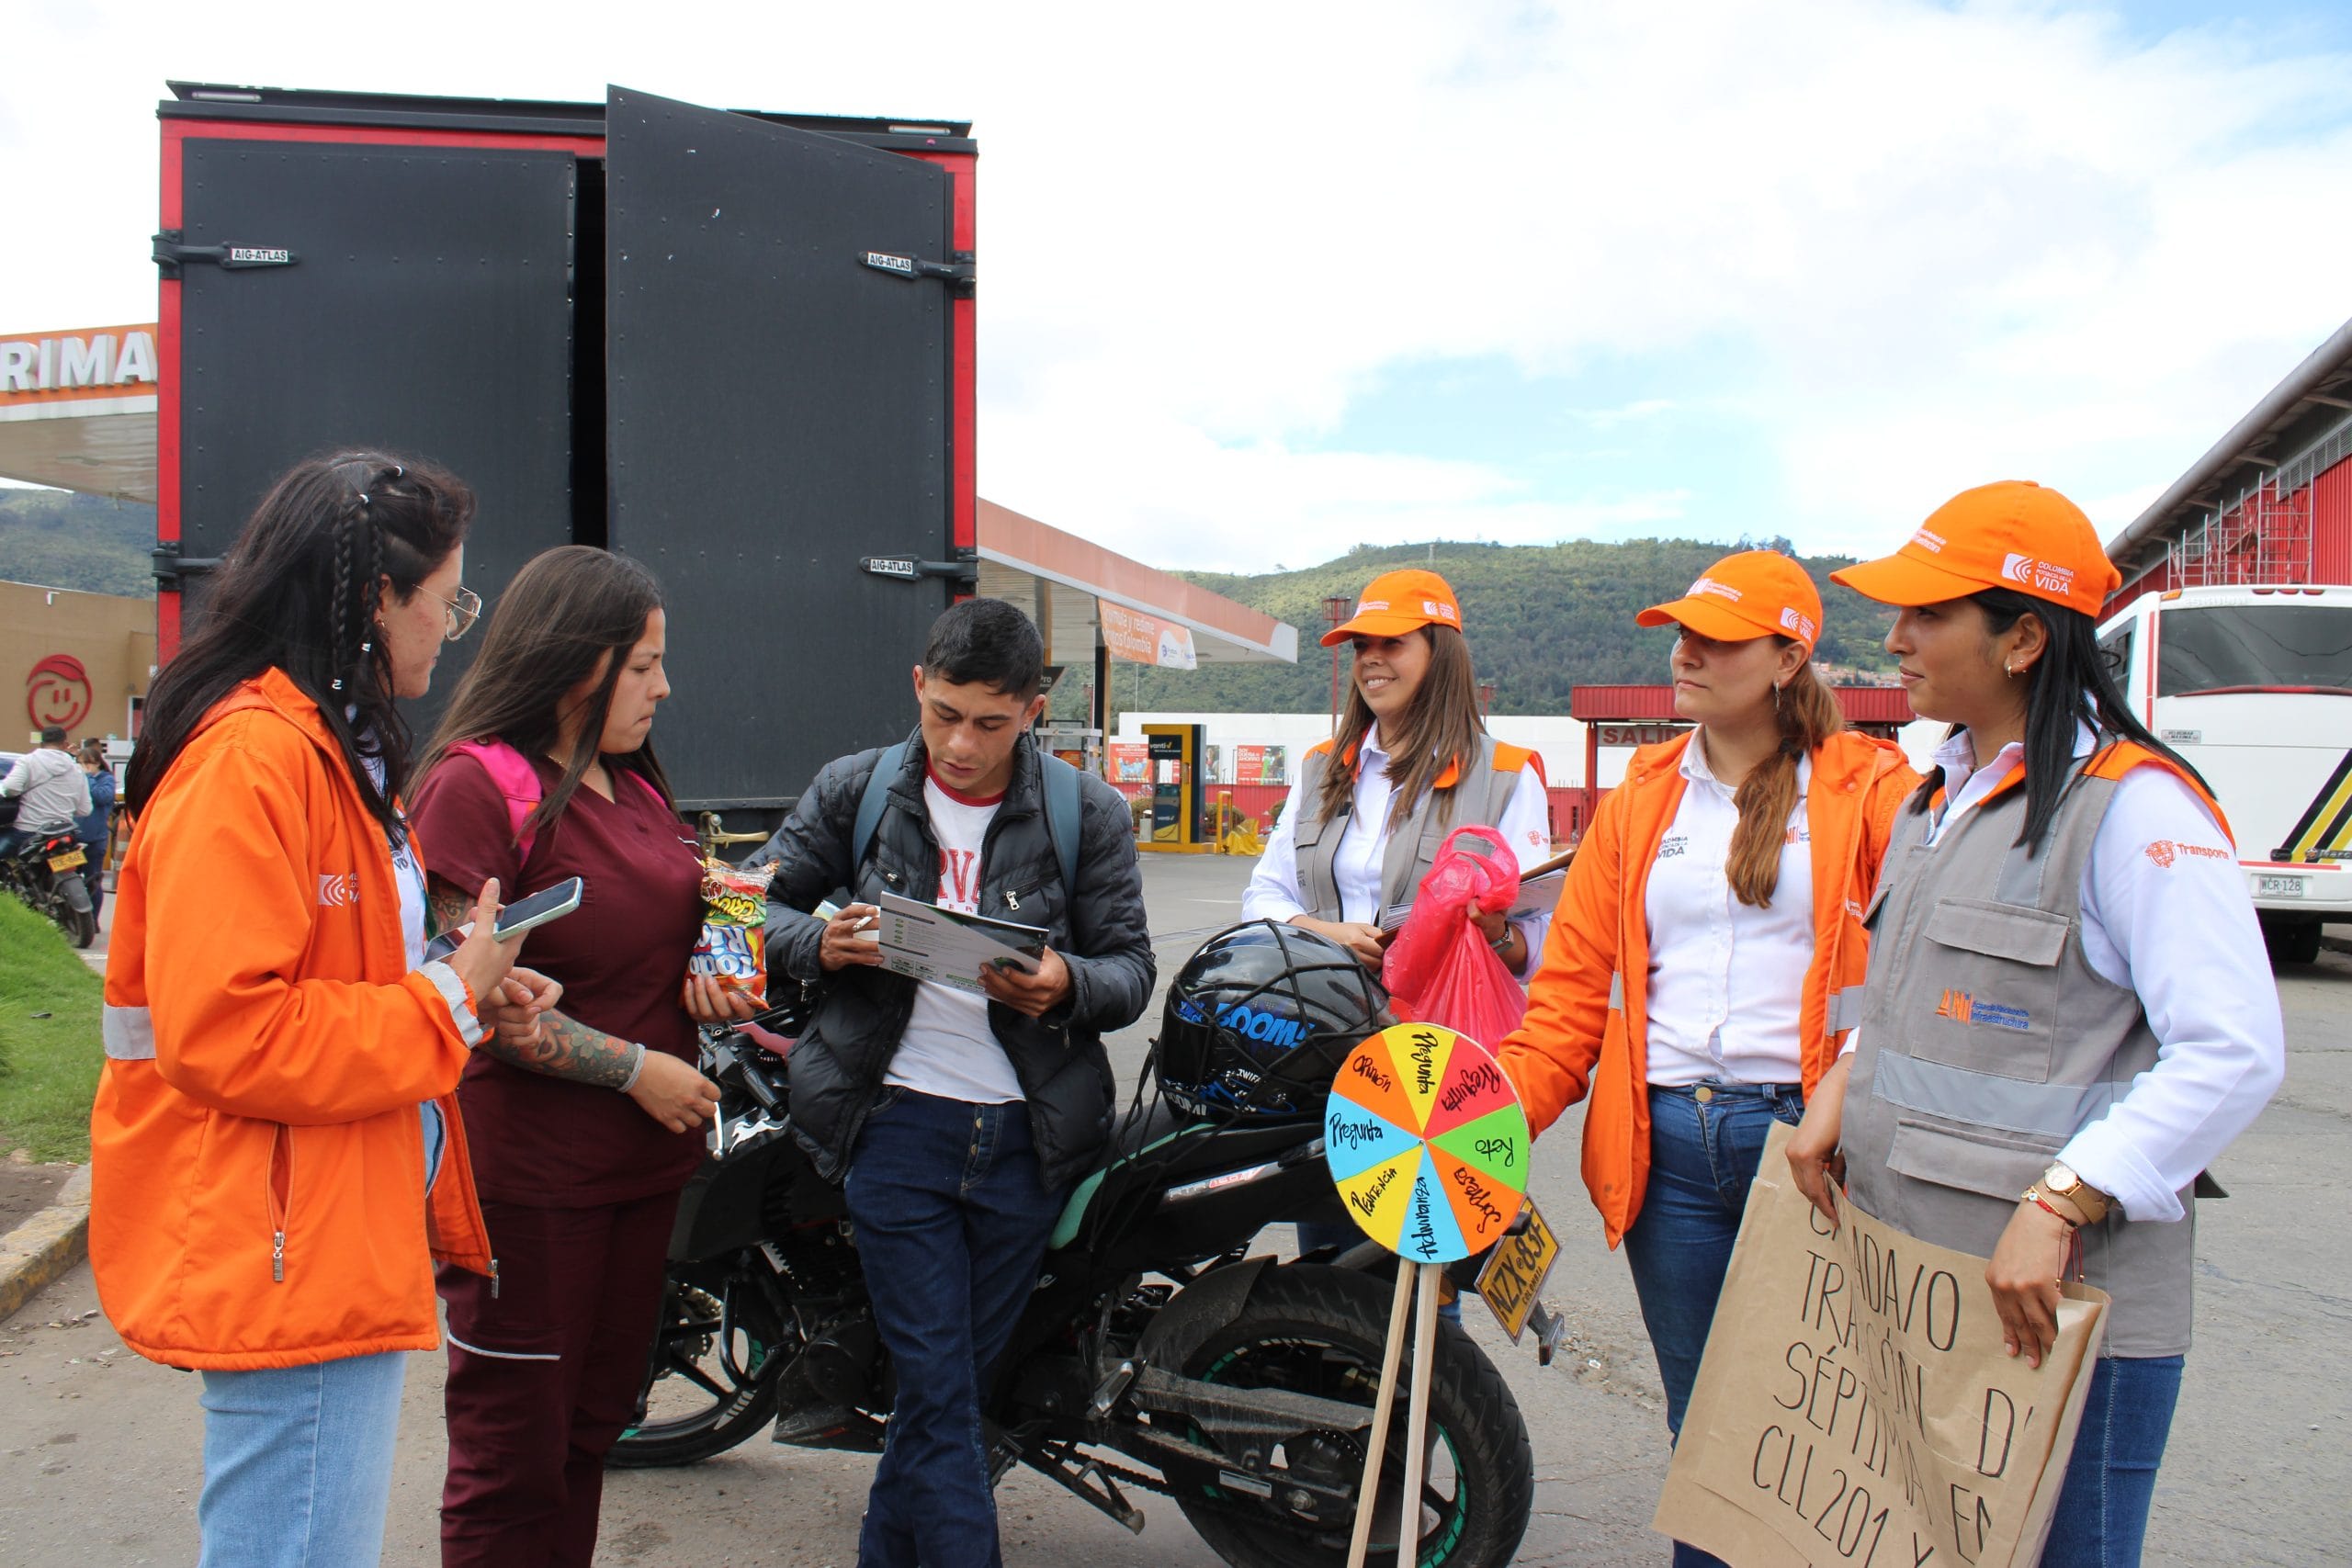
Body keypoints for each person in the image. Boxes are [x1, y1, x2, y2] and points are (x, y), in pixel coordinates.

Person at [1789, 480, 2286, 1566]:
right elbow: (1927, 998)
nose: (1896, 638)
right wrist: (1848, 1082)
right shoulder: (1940, 796)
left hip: (2059, 1321)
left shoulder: (2135, 809)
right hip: (1915, 1288)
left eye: (1927, 614)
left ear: (2021, 637)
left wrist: (2063, 1199)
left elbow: (2234, 1049)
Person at [88, 450, 556, 1568]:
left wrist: (464, 978)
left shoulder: (320, 749)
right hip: (284, 1238)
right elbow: (231, 1032)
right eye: (447, 600)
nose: (452, 628)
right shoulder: (255, 761)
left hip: (315, 1223)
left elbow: (331, 975)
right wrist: (449, 992)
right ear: (371, 600)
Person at [1496, 550, 1917, 1568]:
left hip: (1815, 1152)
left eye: (1715, 639)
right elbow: (1564, 1000)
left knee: (1821, 1447)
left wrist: (1845, 1098)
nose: (1683, 652)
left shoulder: (1874, 790)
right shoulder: (1642, 798)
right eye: (1680, 632)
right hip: (1666, 1155)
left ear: (1786, 657)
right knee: (1708, 1446)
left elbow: (1914, 976)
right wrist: (1480, 1117)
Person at [755, 598, 1154, 1567]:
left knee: (949, 1397)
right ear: (917, 688)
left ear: (1032, 707)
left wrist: (1065, 984)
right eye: (943, 715)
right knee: (940, 1395)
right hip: (895, 1128)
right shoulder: (856, 790)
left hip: (1026, 1142)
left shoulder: (1082, 811)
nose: (960, 744)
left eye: (988, 722)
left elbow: (1130, 972)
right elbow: (748, 904)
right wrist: (825, 943)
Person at [410, 545, 744, 1568]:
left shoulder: (630, 783)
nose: (663, 686)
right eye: (641, 665)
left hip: (641, 1178)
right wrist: (637, 1069)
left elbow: (699, 898)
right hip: (534, 1188)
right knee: (514, 1459)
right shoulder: (476, 790)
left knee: (592, 1431)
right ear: (574, 661)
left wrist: (722, 957)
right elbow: (479, 997)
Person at [1241, 567, 1550, 1262]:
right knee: (1329, 1261)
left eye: (1392, 641)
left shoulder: (1505, 774)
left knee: (1421, 1273)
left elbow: (1540, 939)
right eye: (1360, 645)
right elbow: (1264, 894)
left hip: (1435, 1065)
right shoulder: (1324, 767)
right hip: (1324, 1042)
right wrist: (1328, 934)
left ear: (1440, 651)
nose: (1371, 659)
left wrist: (1491, 931)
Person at [0, 724, 91, 857]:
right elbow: (85, 809)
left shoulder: (28, 761)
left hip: (30, 831)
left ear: (42, 743)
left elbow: (11, 788)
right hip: (65, 832)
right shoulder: (76, 769)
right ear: (65, 744)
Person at [74, 739, 117, 917]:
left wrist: (89, 779)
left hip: (94, 838)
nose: (84, 767)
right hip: (75, 837)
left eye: (87, 763)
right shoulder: (76, 778)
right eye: (80, 764)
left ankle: (92, 920)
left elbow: (102, 797)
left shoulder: (105, 779)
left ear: (97, 763)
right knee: (72, 879)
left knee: (93, 879)